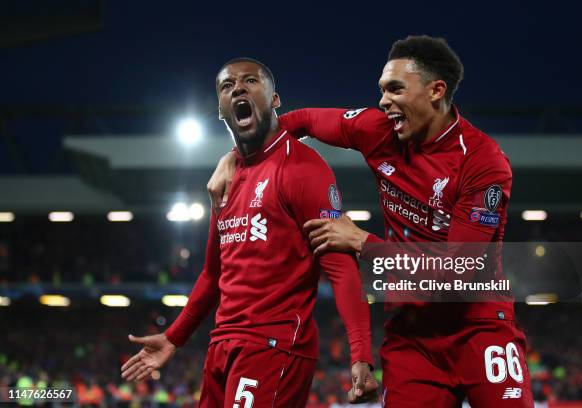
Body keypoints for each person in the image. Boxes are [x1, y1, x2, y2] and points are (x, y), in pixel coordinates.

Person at [208, 37, 534, 407]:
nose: (382, 101)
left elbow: (455, 272)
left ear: (435, 90)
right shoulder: (376, 130)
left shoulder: (482, 162)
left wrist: (363, 243)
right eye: (381, 90)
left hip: (479, 325)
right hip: (412, 336)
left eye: (395, 89)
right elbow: (295, 122)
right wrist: (235, 157)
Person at [121, 58, 377, 407]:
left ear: (275, 99)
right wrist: (174, 337)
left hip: (275, 346)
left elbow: (342, 268)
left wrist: (360, 354)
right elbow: (214, 273)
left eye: (250, 81)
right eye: (227, 86)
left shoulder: (303, 168)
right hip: (222, 347)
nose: (238, 88)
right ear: (220, 111)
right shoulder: (223, 181)